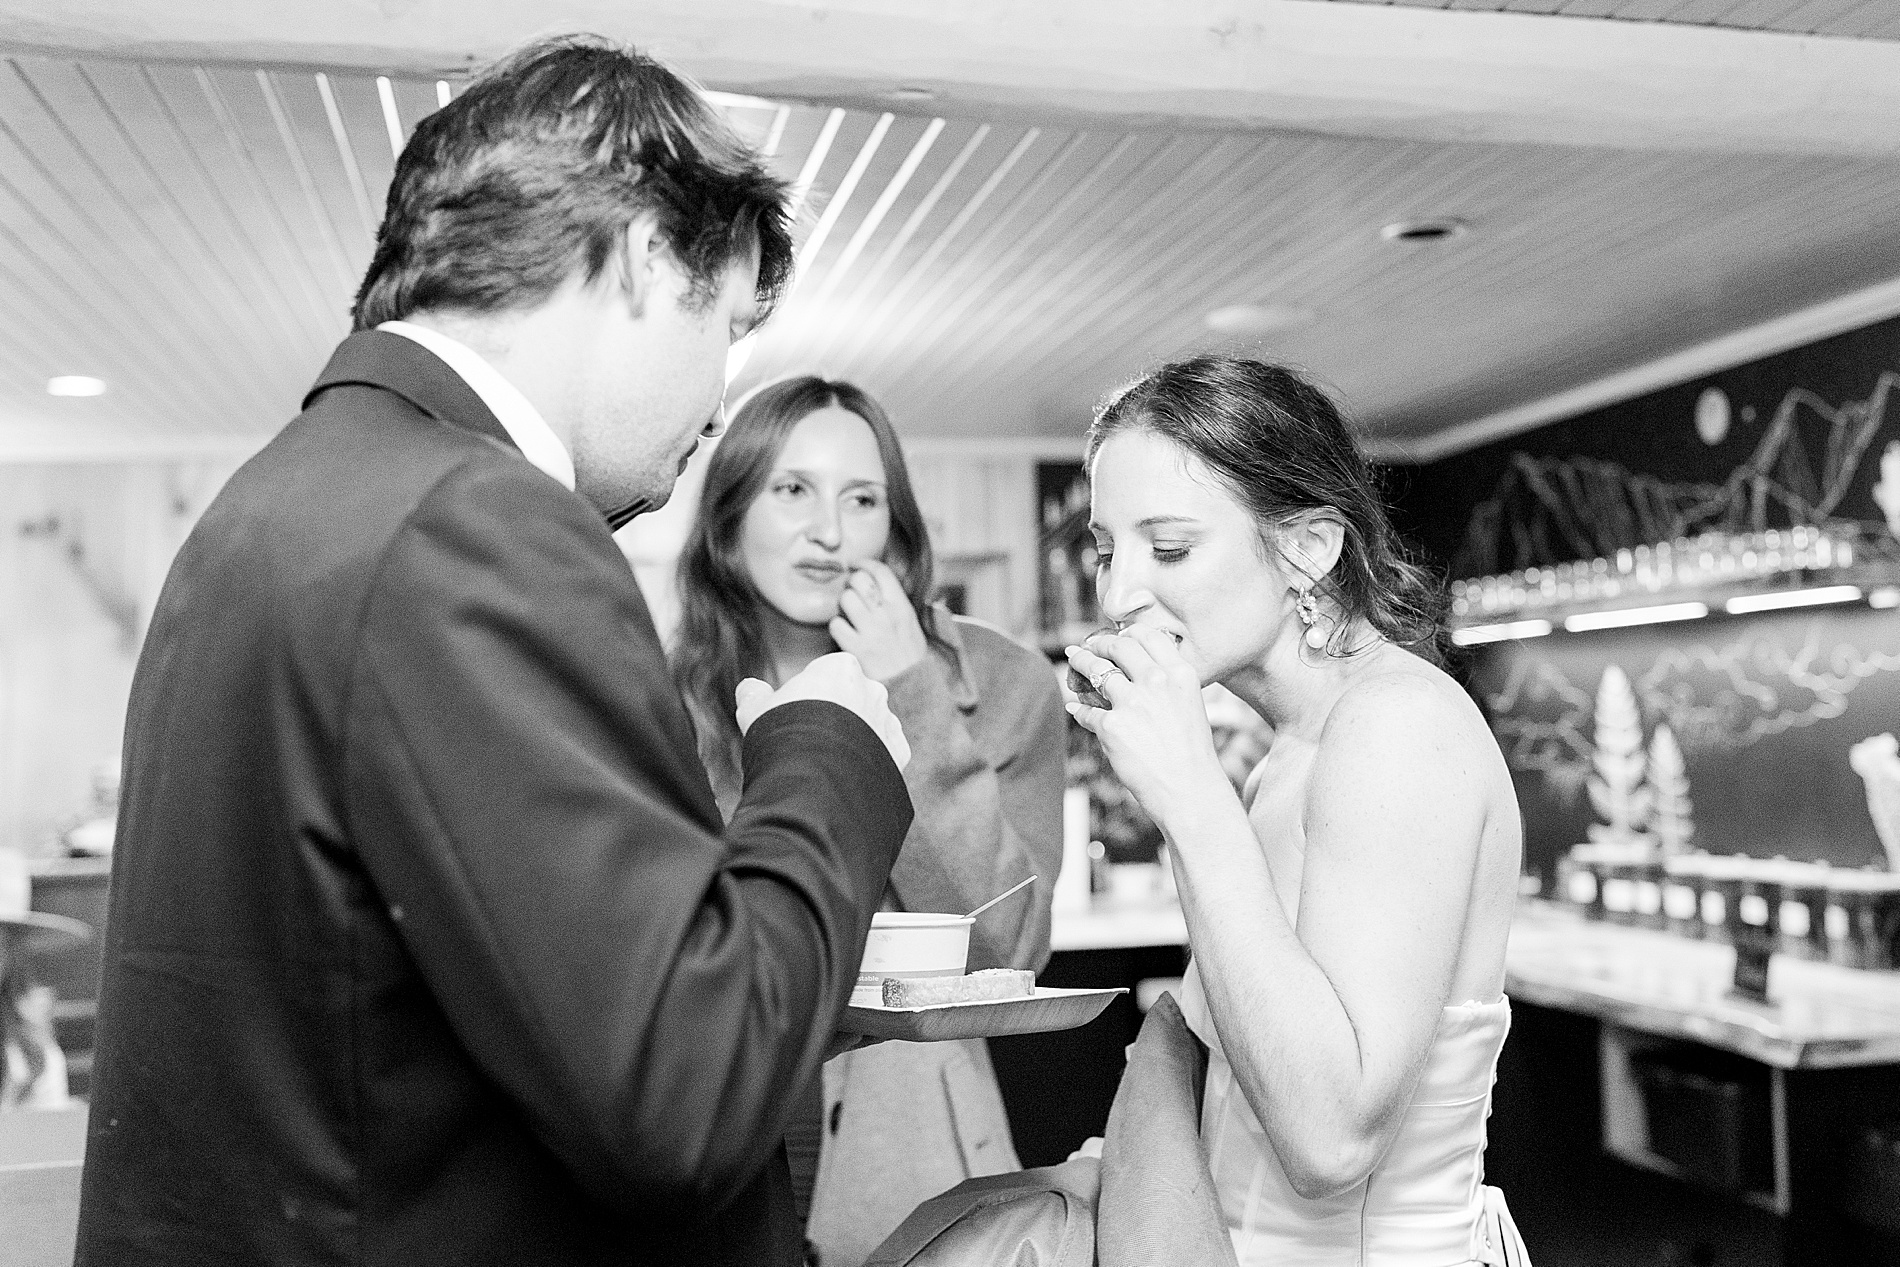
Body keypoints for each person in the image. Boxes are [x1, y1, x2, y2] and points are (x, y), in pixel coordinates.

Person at [76, 36, 916, 1267]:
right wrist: (826, 749)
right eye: (725, 328)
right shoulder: (476, 524)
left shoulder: (274, 502)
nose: (716, 396)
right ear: (640, 261)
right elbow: (685, 1094)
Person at [1063, 356, 1530, 1265]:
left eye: (1168, 548)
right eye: (1105, 550)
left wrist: (1189, 802)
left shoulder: (1397, 725)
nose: (1119, 595)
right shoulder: (1286, 752)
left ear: (1310, 547)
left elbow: (1330, 1142)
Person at [671, 376, 1065, 1266]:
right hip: (717, 1152)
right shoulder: (658, 698)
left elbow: (1007, 949)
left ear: (897, 526)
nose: (830, 531)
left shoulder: (1003, 685)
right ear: (730, 516)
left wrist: (913, 692)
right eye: (792, 490)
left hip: (920, 1165)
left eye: (862, 498)